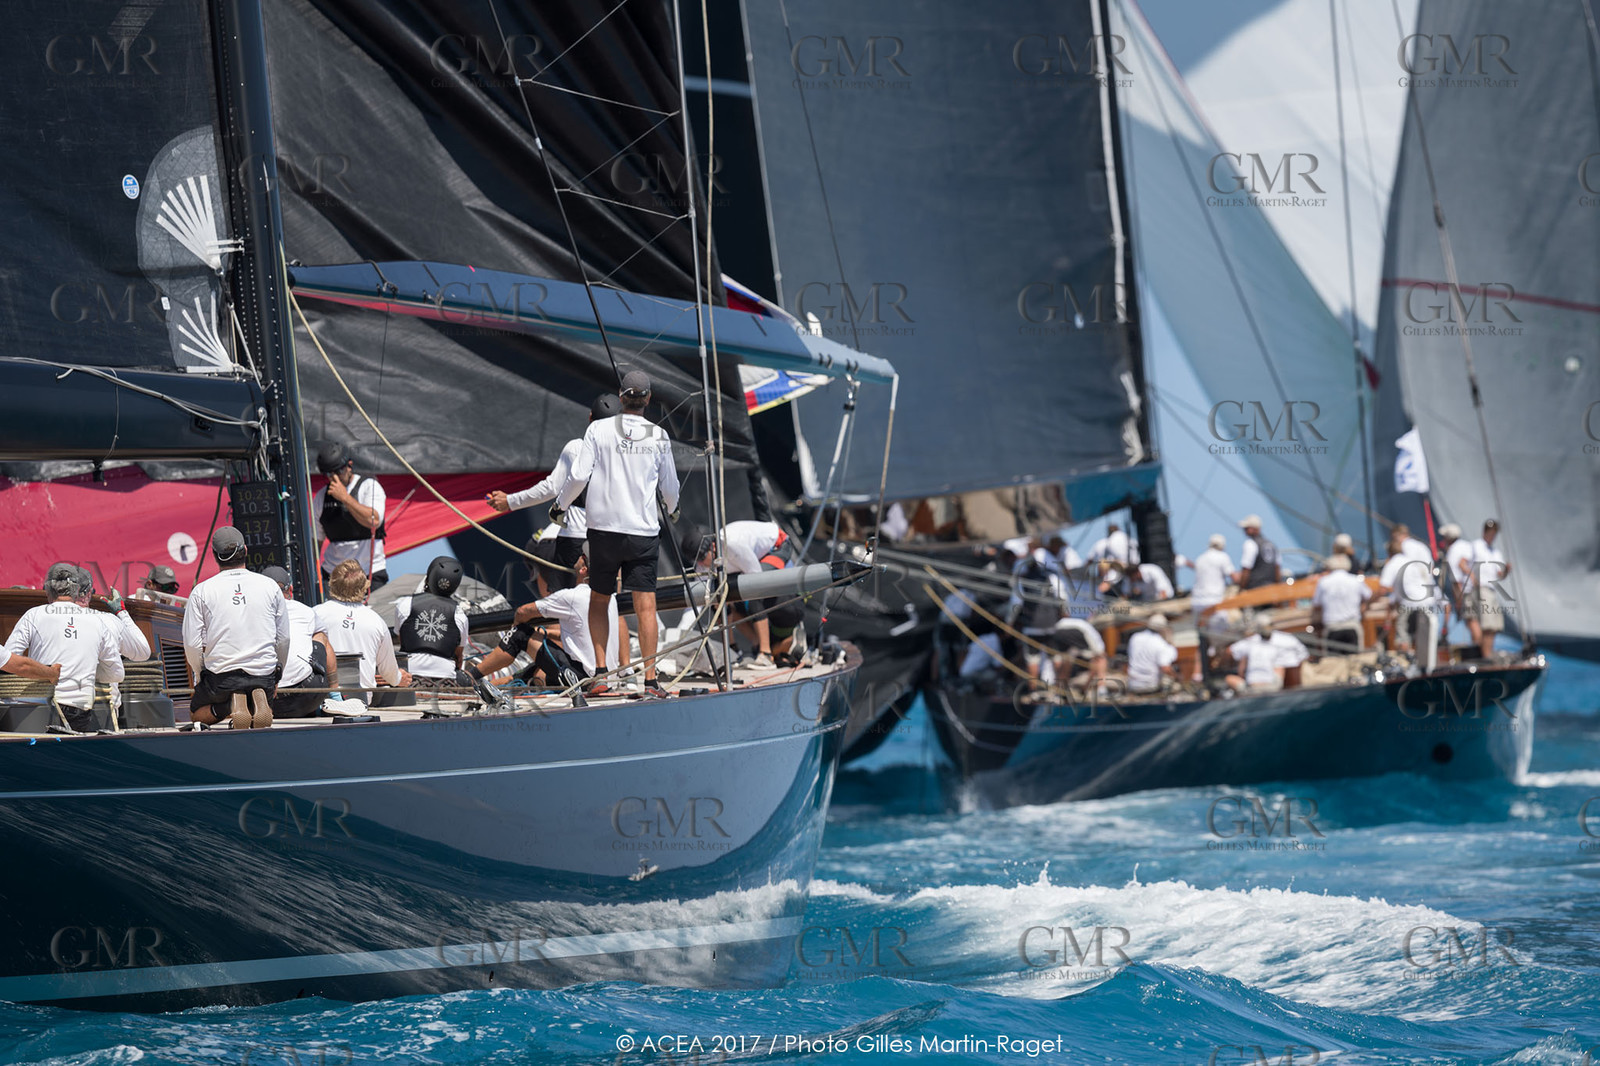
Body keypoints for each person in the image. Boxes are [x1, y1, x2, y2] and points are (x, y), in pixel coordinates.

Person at [553, 370, 679, 699]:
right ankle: (650, 682)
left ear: (622, 397)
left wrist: (560, 505)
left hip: (604, 532)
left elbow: (579, 476)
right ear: (648, 400)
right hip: (643, 533)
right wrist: (673, 508)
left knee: (599, 599)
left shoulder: (598, 429)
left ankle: (599, 674)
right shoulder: (659, 436)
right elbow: (670, 488)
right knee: (645, 607)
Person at [488, 393, 623, 592]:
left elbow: (550, 488)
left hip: (575, 539)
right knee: (611, 606)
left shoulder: (576, 448)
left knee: (564, 609)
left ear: (590, 417)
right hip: (611, 538)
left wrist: (510, 501)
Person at [464, 545, 625, 695]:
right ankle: (475, 688)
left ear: (583, 569)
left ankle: (469, 677)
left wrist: (515, 630)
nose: (579, 556)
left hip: (581, 678)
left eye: (582, 555)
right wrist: (543, 633)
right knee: (532, 674)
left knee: (520, 634)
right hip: (604, 678)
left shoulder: (572, 596)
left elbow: (523, 611)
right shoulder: (609, 598)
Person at [182, 528, 289, 729]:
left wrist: (201, 672)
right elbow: (283, 639)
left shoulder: (202, 591)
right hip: (263, 677)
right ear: (246, 550)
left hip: (222, 679)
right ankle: (251, 702)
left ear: (215, 556)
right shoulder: (270, 586)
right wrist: (277, 674)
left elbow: (192, 644)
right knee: (259, 698)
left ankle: (229, 706)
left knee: (195, 713)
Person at [4, 562, 117, 731]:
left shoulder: (33, 615)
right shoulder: (98, 620)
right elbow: (117, 674)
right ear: (77, 590)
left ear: (48, 590)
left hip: (40, 711)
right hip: (81, 710)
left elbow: (8, 660)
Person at [682, 519, 795, 668]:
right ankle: (735, 650)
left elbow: (754, 576)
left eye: (702, 558)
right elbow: (695, 603)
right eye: (697, 561)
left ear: (713, 547)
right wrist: (680, 635)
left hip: (777, 546)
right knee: (717, 603)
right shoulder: (701, 563)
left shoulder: (733, 545)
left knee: (752, 592)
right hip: (747, 560)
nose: (701, 564)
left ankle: (766, 654)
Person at [313, 559, 406, 696]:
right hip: (361, 700)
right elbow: (389, 674)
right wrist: (400, 679)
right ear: (365, 587)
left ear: (332, 584)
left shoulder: (314, 614)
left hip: (321, 700)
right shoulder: (377, 622)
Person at [312, 441, 388, 592]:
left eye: (338, 472)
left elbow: (374, 521)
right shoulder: (321, 497)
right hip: (335, 575)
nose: (335, 479)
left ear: (349, 465)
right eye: (329, 474)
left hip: (369, 573)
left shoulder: (369, 486)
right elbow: (316, 542)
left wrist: (345, 498)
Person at [261, 565, 335, 718]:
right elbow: (324, 645)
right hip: (306, 696)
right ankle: (335, 697)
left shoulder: (251, 613)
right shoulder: (305, 610)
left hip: (263, 701)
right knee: (320, 635)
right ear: (291, 589)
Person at [78, 567, 152, 717]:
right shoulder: (108, 620)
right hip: (104, 713)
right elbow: (143, 652)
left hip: (50, 713)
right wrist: (121, 612)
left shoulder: (38, 618)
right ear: (89, 594)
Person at [394, 557, 471, 690]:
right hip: (445, 680)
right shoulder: (460, 615)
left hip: (409, 677)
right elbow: (459, 656)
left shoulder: (405, 604)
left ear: (429, 577)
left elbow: (402, 639)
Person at [1378, 526, 1442, 672]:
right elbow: (1428, 573)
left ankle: (1408, 666)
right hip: (1427, 599)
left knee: (1403, 636)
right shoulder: (1420, 550)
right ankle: (1425, 666)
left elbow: (1386, 586)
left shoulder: (1397, 558)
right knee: (1424, 635)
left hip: (1409, 603)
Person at [1184, 534, 1235, 681]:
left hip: (1198, 603)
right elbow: (1234, 577)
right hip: (1214, 603)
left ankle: (1198, 674)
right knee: (1225, 639)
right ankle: (1224, 671)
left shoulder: (1200, 559)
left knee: (1203, 641)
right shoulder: (1222, 557)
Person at [1465, 518, 1511, 659]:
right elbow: (1462, 562)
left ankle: (1484, 654)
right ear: (1484, 531)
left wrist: (1506, 571)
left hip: (1490, 590)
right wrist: (1472, 578)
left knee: (1492, 626)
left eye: (1494, 532)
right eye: (1490, 531)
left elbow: (1500, 575)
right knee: (1487, 625)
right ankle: (1485, 656)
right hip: (1480, 589)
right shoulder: (1475, 546)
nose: (1492, 534)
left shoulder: (1495, 552)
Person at [1225, 614, 1308, 693]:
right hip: (1254, 686)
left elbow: (1303, 656)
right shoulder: (1251, 642)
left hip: (1269, 685)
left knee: (1279, 665)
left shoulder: (1283, 640)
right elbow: (1231, 651)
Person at [1310, 555, 1370, 654]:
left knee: (1333, 665)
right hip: (1352, 626)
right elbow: (1369, 596)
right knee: (1355, 663)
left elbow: (1316, 604)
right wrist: (1363, 608)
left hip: (1332, 627)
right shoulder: (1356, 580)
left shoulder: (1323, 582)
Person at [1124, 614, 1178, 695]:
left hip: (1133, 684)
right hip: (1151, 685)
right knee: (1175, 686)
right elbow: (1165, 668)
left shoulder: (1135, 637)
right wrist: (1176, 677)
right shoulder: (1161, 644)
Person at [1438, 523, 1473, 635]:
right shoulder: (1467, 545)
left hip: (1468, 592)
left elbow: (1457, 583)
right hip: (1478, 589)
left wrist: (1459, 604)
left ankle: (1481, 651)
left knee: (1472, 622)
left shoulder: (1453, 552)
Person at [1233, 515, 1280, 589]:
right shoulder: (1272, 545)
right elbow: (1277, 569)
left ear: (1254, 529)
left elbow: (1246, 570)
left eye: (1246, 528)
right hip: (1271, 590)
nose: (1244, 531)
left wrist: (1241, 588)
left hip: (1255, 589)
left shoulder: (1251, 544)